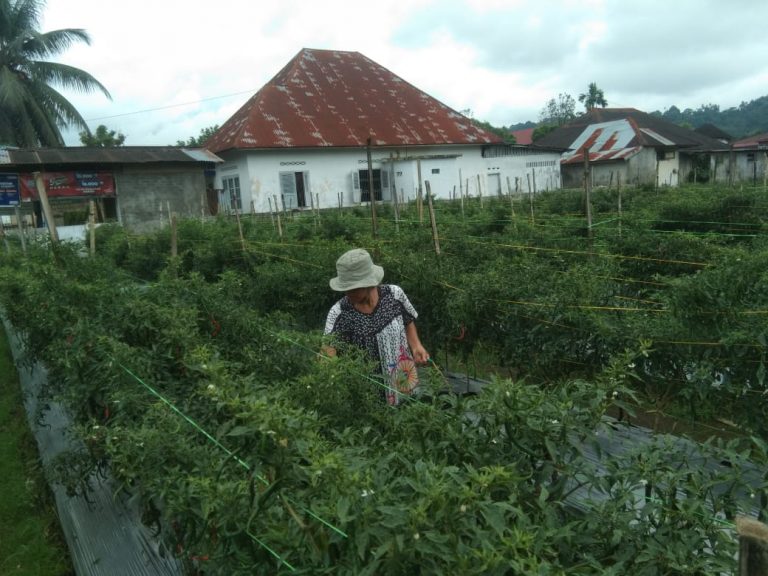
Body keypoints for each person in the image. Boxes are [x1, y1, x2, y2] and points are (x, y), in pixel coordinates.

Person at [324, 248, 429, 405]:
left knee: (408, 416)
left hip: (403, 379)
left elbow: (408, 320)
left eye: (352, 288)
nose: (347, 293)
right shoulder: (339, 312)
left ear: (368, 283)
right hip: (367, 395)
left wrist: (416, 346)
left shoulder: (394, 295)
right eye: (345, 288)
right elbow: (328, 351)